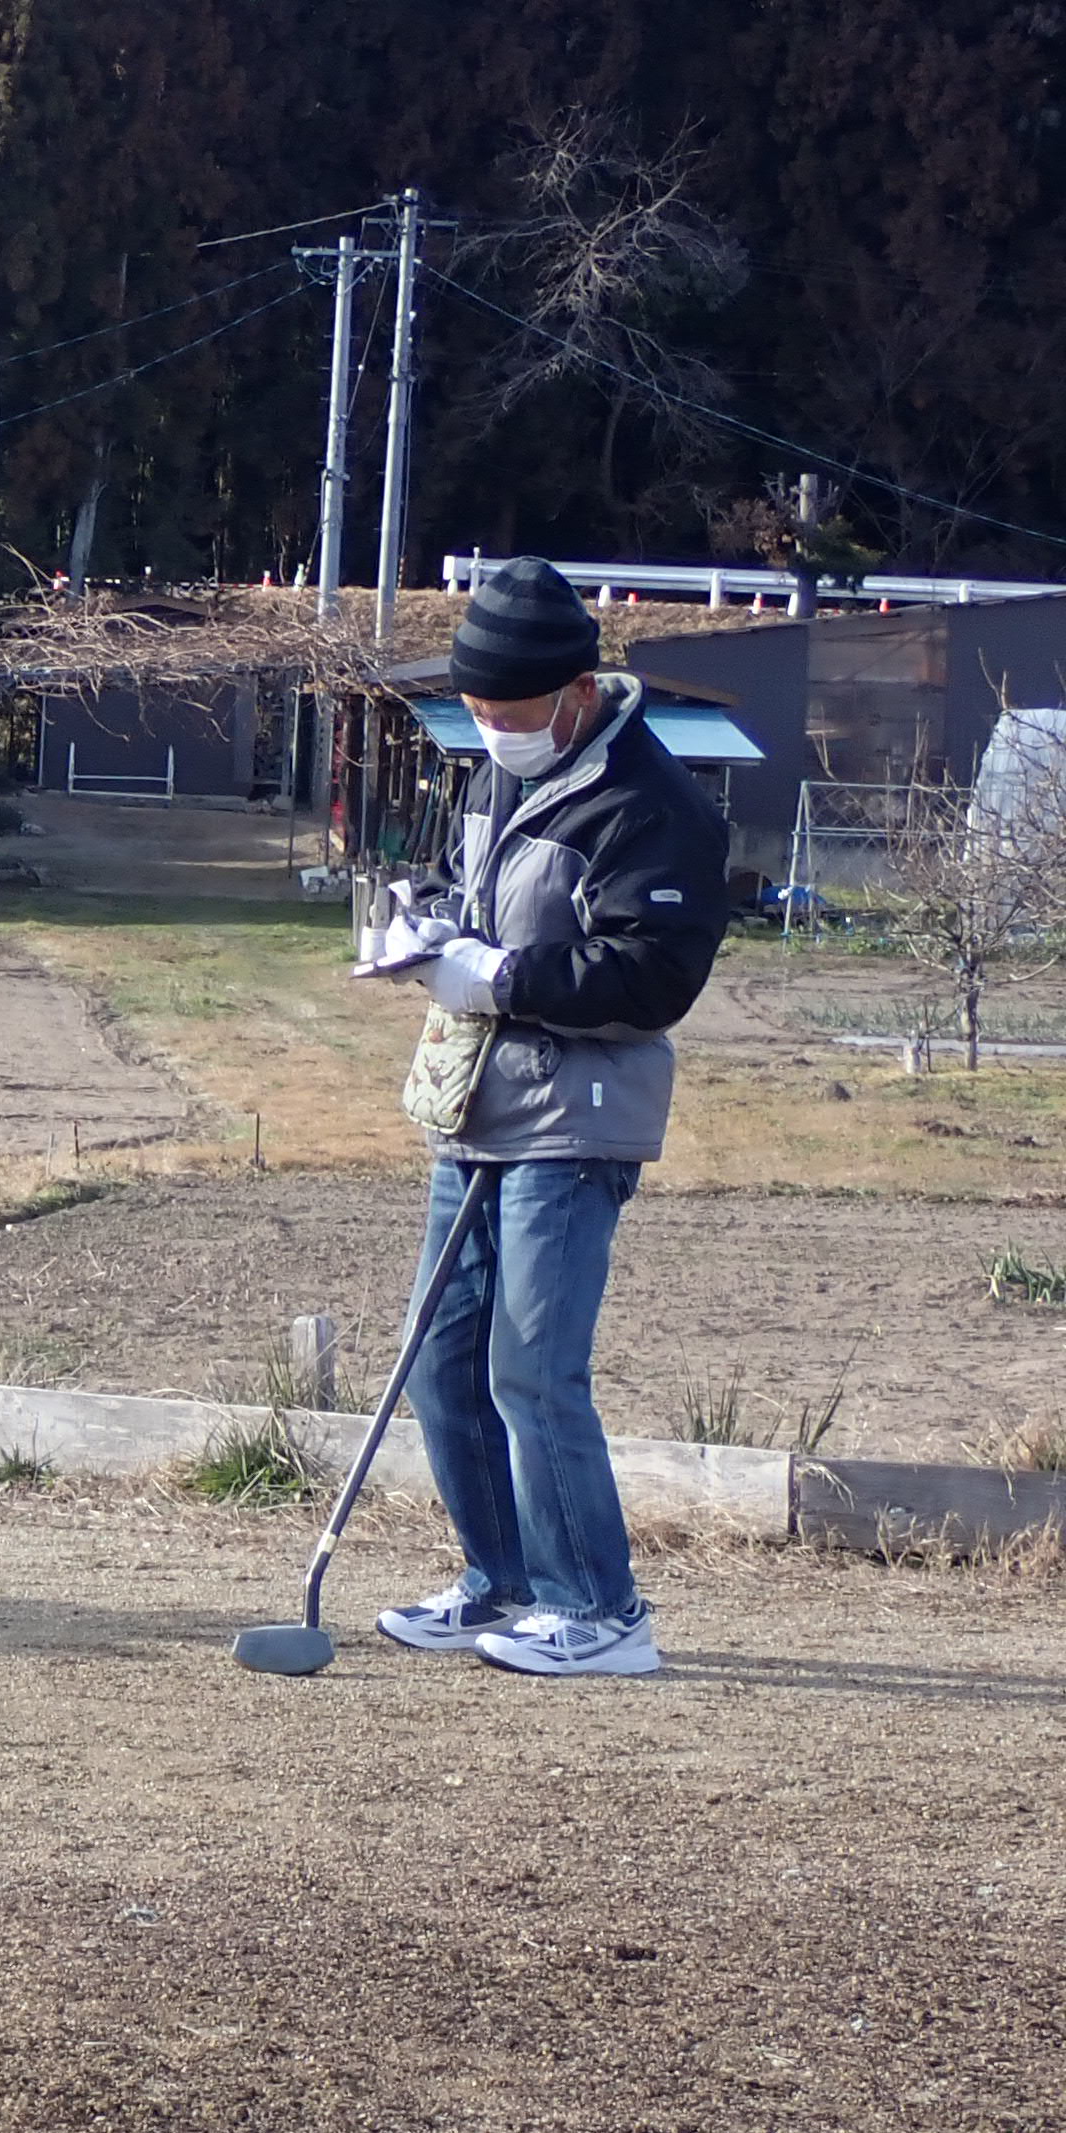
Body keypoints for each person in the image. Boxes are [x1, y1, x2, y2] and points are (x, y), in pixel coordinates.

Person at [371, 556, 732, 1678]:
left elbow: (653, 975)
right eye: (474, 710)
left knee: (531, 1366)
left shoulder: (651, 805)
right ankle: (500, 1584)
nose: (487, 729)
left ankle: (602, 1611)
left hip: (576, 1122)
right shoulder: (497, 776)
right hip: (477, 1103)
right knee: (442, 1359)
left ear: (576, 693)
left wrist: (501, 978)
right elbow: (467, 893)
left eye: (506, 711)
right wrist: (423, 931)